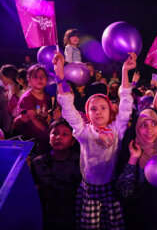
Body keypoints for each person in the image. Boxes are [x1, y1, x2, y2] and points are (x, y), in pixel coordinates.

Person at [53, 51, 136, 229]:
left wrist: (124, 72)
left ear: (110, 112)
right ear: (88, 114)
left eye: (103, 108)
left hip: (111, 190)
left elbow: (126, 103)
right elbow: (67, 107)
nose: (98, 111)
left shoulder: (116, 129)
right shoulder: (83, 131)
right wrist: (60, 75)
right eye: (93, 108)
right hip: (89, 190)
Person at [31, 120, 81, 230]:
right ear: (49, 138)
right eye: (55, 133)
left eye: (65, 134)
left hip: (74, 218)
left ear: (72, 141)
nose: (58, 137)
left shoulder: (80, 162)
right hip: (46, 218)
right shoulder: (38, 163)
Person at [13, 64, 52, 154]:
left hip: (41, 129)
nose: (39, 79)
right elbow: (33, 119)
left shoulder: (47, 97)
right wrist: (47, 132)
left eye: (43, 76)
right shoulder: (27, 98)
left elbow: (47, 114)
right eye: (35, 76)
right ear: (29, 80)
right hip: (29, 135)